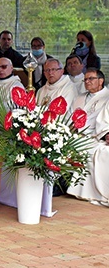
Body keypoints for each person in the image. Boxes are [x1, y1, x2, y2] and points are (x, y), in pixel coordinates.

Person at [67, 68, 109, 206]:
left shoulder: (106, 97)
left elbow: (103, 121)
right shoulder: (79, 97)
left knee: (92, 151)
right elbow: (69, 116)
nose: (87, 82)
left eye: (91, 79)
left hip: (92, 135)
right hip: (75, 134)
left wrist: (105, 134)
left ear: (101, 81)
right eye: (85, 79)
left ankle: (88, 191)